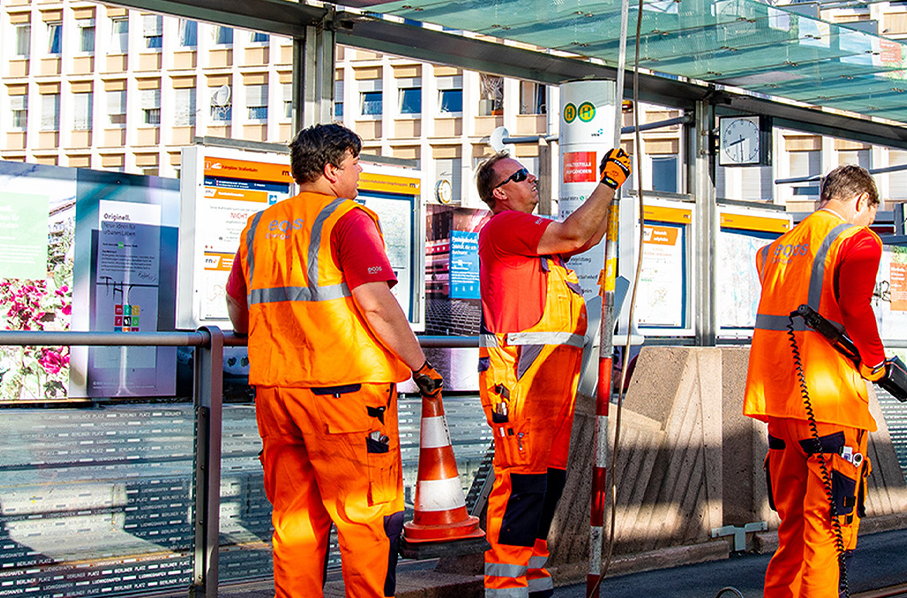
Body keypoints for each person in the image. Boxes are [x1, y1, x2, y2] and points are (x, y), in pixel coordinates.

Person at [226, 124, 444, 598]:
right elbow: (376, 304)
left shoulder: (259, 226)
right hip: (345, 398)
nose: (360, 171)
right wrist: (421, 367)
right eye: (355, 163)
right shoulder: (347, 219)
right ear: (331, 169)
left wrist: (253, 337)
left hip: (277, 393)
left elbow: (238, 307)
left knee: (295, 520)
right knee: (365, 519)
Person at [472, 146, 630, 598]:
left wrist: (610, 192)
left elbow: (588, 234)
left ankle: (532, 580)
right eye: (521, 175)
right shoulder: (506, 226)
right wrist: (609, 183)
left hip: (548, 386)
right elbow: (577, 232)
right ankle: (505, 587)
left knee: (545, 483)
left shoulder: (540, 251)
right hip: (521, 381)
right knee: (521, 484)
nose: (531, 179)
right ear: (500, 193)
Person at [743, 165, 886, 598]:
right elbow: (856, 307)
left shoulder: (775, 251)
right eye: (870, 214)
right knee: (829, 530)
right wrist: (877, 363)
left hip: (779, 405)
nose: (869, 224)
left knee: (792, 528)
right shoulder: (856, 239)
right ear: (861, 202)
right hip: (830, 406)